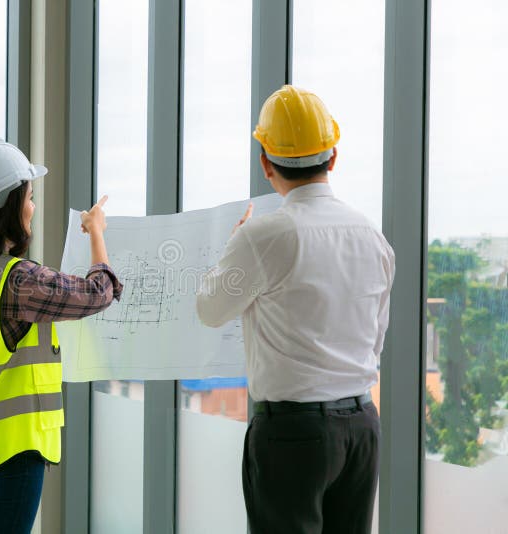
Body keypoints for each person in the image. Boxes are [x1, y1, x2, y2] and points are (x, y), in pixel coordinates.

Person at [196, 85, 395, 534]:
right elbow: (376, 335)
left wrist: (233, 243)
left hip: (292, 434)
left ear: (266, 163)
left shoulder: (263, 236)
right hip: (362, 427)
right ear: (334, 155)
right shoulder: (372, 236)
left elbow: (210, 309)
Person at [0, 138, 122, 533]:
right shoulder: (18, 279)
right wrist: (97, 233)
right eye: (30, 197)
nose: (33, 207)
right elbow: (97, 293)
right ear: (11, 206)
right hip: (17, 450)